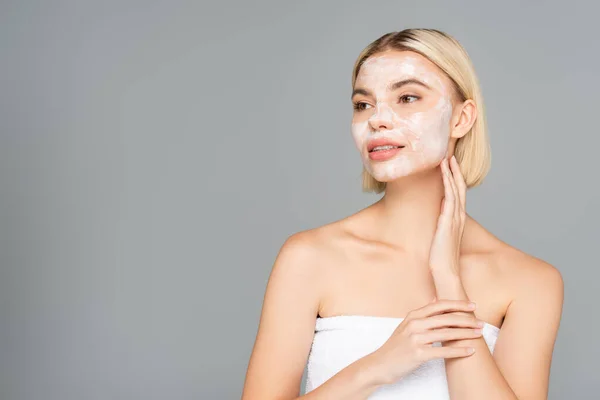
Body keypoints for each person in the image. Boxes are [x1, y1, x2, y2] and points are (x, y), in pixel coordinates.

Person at [241, 28, 564, 400]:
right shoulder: (308, 257)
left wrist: (448, 279)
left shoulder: (531, 282)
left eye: (407, 97)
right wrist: (379, 366)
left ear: (462, 119)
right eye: (363, 104)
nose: (377, 119)